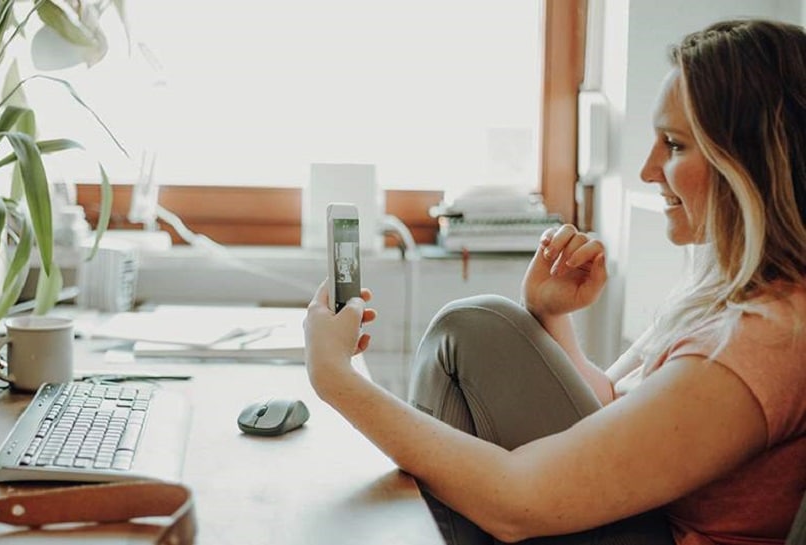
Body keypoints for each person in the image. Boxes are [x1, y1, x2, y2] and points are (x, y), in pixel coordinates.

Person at [303, 18, 806, 545]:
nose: (648, 169)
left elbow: (519, 501)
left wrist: (336, 379)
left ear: (752, 162)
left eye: (675, 145)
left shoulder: (764, 342)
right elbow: (616, 422)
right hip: (639, 522)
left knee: (476, 326)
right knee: (479, 330)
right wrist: (550, 316)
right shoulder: (725, 299)